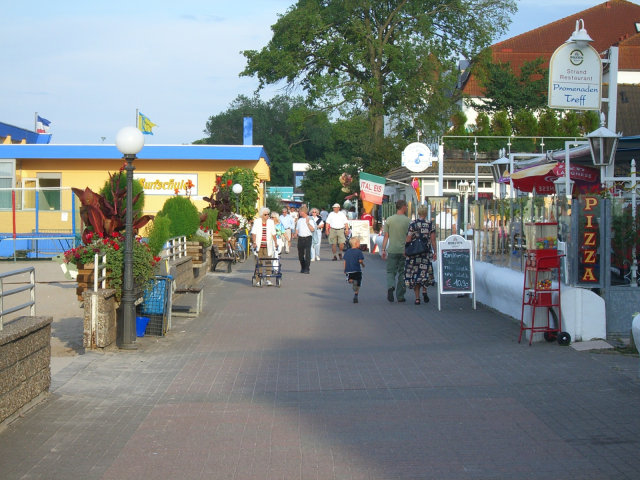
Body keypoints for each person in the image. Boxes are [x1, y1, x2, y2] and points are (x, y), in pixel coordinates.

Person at [404, 204, 437, 305]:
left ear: (418, 213)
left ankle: (417, 298)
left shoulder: (413, 224)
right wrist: (435, 251)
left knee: (416, 274)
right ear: (426, 213)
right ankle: (424, 290)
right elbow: (433, 239)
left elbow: (408, 238)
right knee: (425, 272)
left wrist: (405, 249)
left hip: (414, 253)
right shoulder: (430, 224)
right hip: (425, 253)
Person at [381, 199, 411, 303]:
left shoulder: (389, 220)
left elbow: (386, 236)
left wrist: (383, 249)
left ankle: (390, 286)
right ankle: (400, 295)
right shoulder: (408, 221)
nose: (406, 208)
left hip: (392, 250)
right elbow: (410, 237)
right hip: (404, 251)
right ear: (403, 207)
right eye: (406, 207)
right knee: (403, 272)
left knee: (391, 271)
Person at [250, 207, 278, 286]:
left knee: (268, 261)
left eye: (268, 214)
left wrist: (275, 242)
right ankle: (258, 279)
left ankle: (268, 279)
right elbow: (254, 233)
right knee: (259, 262)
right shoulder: (257, 222)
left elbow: (273, 233)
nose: (267, 216)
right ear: (262, 215)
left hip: (267, 245)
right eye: (265, 214)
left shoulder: (270, 222)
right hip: (259, 245)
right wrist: (254, 242)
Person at [293, 205, 315, 273]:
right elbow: (297, 228)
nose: (299, 212)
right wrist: (296, 234)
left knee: (307, 254)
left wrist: (307, 223)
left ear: (303, 212)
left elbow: (312, 229)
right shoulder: (299, 220)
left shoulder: (310, 219)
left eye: (300, 211)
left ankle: (307, 268)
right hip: (301, 238)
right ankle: (303, 266)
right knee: (300, 254)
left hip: (308, 237)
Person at [343, 237, 365, 303]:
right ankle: (356, 294)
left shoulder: (347, 252)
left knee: (349, 279)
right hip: (357, 270)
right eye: (359, 243)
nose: (359, 244)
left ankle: (351, 280)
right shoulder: (359, 252)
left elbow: (345, 260)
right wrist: (362, 264)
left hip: (349, 270)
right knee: (358, 282)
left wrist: (345, 269)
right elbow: (360, 260)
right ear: (356, 243)